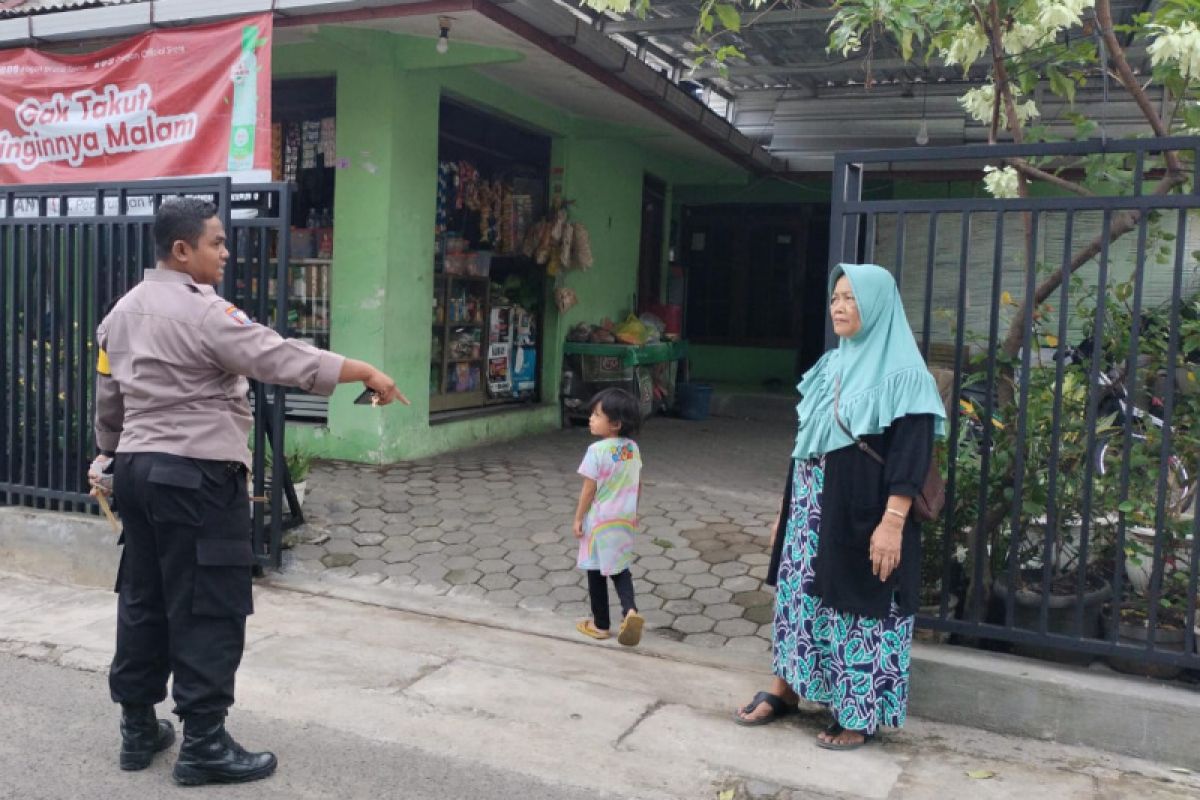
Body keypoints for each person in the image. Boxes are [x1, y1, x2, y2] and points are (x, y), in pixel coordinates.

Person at [86, 197, 408, 786]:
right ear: (182, 251)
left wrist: (108, 454)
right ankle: (204, 744)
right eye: (216, 242)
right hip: (198, 478)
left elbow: (109, 398)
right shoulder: (205, 315)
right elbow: (275, 355)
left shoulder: (121, 313)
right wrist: (360, 370)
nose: (226, 253)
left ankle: (138, 730)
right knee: (208, 603)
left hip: (137, 471)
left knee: (144, 597)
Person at [733, 263, 945, 750]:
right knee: (798, 599)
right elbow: (804, 444)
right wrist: (785, 513)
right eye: (835, 298)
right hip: (810, 508)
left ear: (877, 305)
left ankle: (856, 712)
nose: (839, 307)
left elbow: (911, 457)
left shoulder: (906, 376)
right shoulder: (831, 365)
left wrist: (892, 522)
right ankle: (786, 689)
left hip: (866, 512)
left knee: (857, 607)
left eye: (851, 298)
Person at [572, 387, 646, 647]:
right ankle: (630, 611)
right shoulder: (632, 449)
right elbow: (638, 483)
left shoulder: (597, 450)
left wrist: (578, 517)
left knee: (595, 570)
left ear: (615, 424)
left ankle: (600, 624)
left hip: (600, 521)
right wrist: (633, 511)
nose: (591, 419)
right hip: (624, 519)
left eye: (597, 415)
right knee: (620, 568)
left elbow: (589, 489)